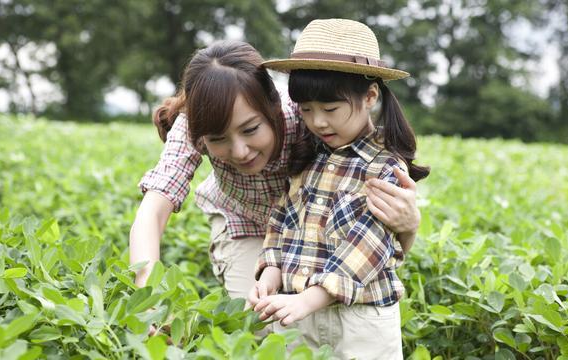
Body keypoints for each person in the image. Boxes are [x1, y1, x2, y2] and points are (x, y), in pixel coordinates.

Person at [129, 40, 422, 302]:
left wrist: (408, 225)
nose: (240, 151)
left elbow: (372, 216)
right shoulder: (192, 125)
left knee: (320, 309)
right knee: (256, 319)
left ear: (274, 106)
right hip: (242, 223)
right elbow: (153, 211)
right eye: (219, 139)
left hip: (309, 226)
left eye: (251, 129)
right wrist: (147, 296)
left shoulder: (308, 116)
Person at [250, 19, 430, 359]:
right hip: (299, 314)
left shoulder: (384, 168)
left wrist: (307, 299)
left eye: (330, 109)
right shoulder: (308, 157)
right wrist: (271, 270)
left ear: (370, 96)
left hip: (360, 322)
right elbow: (283, 220)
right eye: (306, 110)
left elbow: (367, 247)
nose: (318, 122)